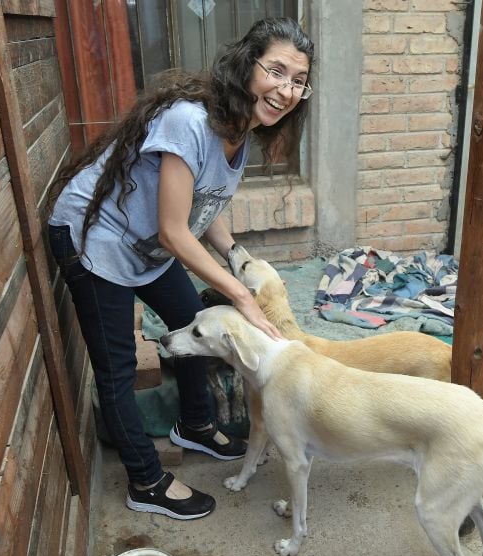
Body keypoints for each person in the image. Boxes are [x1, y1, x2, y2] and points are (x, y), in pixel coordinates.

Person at [47, 17, 315, 520]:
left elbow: (201, 209)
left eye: (298, 80)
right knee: (117, 368)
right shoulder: (191, 121)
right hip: (93, 237)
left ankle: (194, 425)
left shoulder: (241, 129)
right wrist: (239, 293)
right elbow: (174, 232)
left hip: (147, 243)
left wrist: (238, 256)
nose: (285, 89)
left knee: (193, 321)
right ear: (245, 66)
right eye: (276, 71)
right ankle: (145, 482)